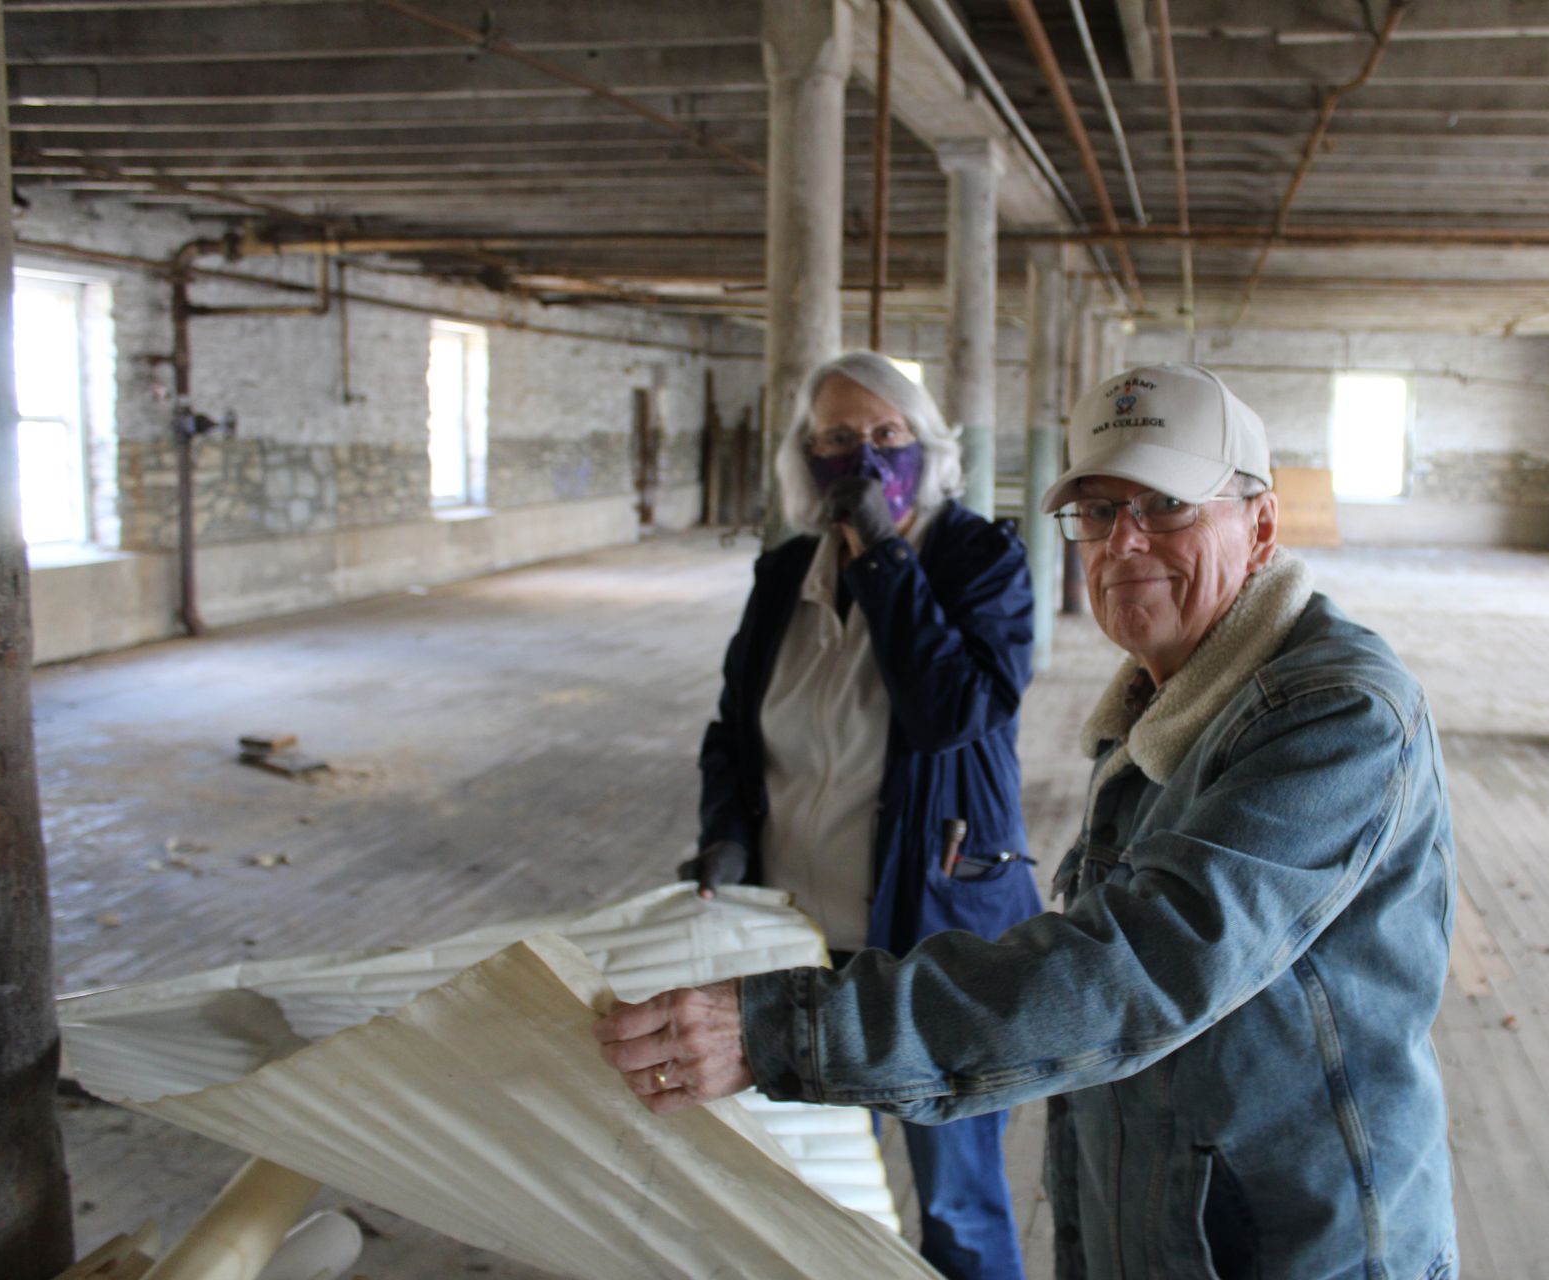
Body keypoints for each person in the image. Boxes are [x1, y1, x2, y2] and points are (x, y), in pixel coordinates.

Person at [608, 362, 1458, 1279]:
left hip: (1290, 1239)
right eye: (1097, 512)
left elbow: (1140, 968)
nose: (1124, 542)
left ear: (1258, 525)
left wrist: (781, 1033)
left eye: (1166, 505)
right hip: (1161, 1220)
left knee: (956, 1204)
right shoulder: (1154, 708)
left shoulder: (1335, 717)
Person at [677, 350, 1043, 1280]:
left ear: (928, 448)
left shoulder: (980, 560)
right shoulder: (783, 576)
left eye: (889, 436)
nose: (866, 457)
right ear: (809, 456)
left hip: (935, 937)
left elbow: (952, 713)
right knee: (816, 1189)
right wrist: (725, 829)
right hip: (795, 942)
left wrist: (882, 552)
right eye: (840, 438)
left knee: (956, 1194)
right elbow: (735, 729)